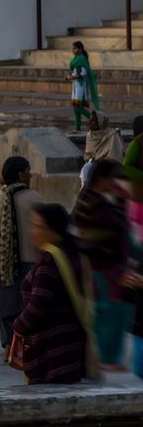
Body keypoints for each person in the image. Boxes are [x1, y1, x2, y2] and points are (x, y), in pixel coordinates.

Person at [11, 203, 94, 385]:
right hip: (72, 343)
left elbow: (38, 306)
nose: (33, 232)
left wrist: (17, 327)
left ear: (52, 229)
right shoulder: (74, 253)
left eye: (37, 226)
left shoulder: (49, 262)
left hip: (52, 349)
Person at [73, 158, 132, 370]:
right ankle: (105, 359)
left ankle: (105, 358)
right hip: (102, 266)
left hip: (109, 266)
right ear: (103, 179)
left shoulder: (96, 199)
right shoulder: (93, 203)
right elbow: (119, 226)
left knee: (114, 312)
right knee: (109, 313)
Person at [0, 155, 43, 349]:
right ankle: (25, 344)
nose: (30, 176)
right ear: (21, 175)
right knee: (26, 306)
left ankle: (8, 345)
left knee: (5, 305)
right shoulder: (34, 197)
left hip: (2, 263)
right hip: (30, 259)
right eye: (28, 172)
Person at [68, 41, 99, 130]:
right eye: (72, 48)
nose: (73, 50)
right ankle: (77, 128)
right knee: (75, 108)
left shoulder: (82, 59)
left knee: (78, 107)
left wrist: (72, 77)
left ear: (80, 49)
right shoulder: (76, 59)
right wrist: (69, 76)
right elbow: (74, 71)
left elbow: (84, 73)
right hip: (75, 85)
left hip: (80, 85)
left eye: (75, 48)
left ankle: (94, 119)